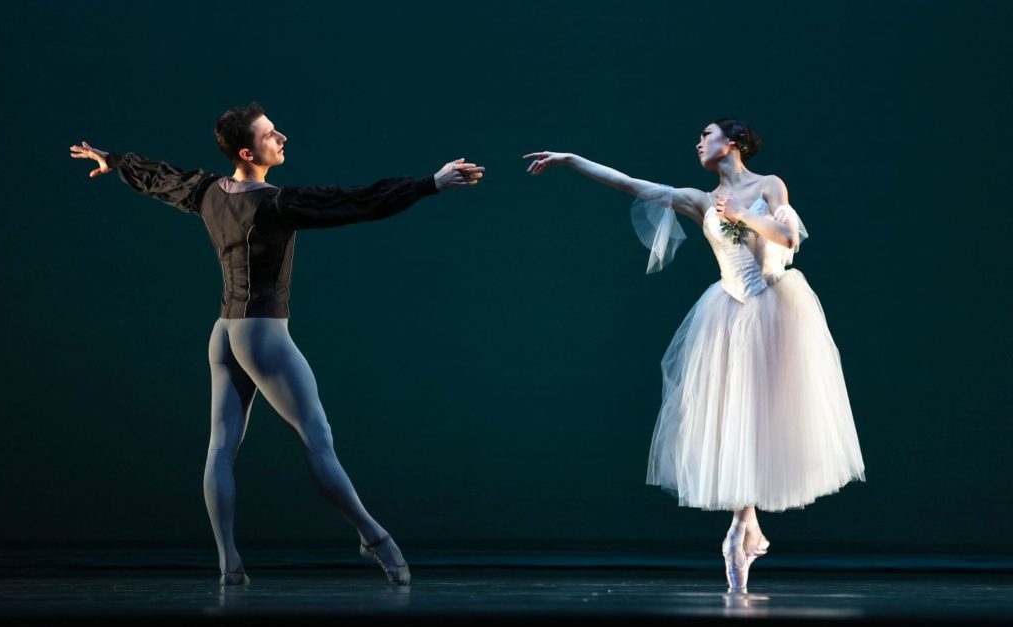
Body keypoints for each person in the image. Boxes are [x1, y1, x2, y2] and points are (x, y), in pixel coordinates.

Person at [70, 102, 484, 587]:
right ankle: (376, 539)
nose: (282, 137)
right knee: (318, 441)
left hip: (224, 332)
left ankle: (229, 565)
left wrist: (115, 160)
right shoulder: (275, 203)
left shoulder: (206, 191)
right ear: (248, 151)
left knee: (220, 449)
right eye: (271, 134)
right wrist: (428, 183)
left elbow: (163, 178)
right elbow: (353, 201)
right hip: (262, 333)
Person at [524, 119, 864, 592]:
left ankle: (746, 529)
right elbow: (629, 183)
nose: (699, 142)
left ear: (734, 143)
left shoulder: (768, 185)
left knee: (765, 417)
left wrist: (741, 215)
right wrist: (570, 160)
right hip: (729, 313)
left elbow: (788, 240)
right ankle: (743, 528)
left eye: (707, 135)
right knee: (737, 418)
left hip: (775, 309)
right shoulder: (699, 200)